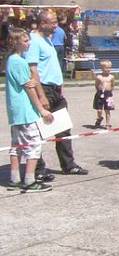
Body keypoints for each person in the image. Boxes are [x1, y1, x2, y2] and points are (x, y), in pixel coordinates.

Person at [28, 10, 87, 180]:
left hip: (55, 90)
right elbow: (33, 70)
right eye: (52, 22)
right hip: (44, 90)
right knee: (38, 131)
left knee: (63, 129)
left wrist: (59, 86)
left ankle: (68, 165)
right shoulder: (34, 41)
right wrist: (42, 95)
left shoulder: (47, 39)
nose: (56, 25)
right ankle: (37, 169)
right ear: (42, 23)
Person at [5, 28, 54, 192]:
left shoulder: (11, 60)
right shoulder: (18, 61)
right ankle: (29, 180)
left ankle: (14, 178)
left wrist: (32, 80)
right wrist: (42, 110)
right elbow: (29, 88)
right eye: (25, 41)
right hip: (26, 111)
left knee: (16, 145)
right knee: (34, 146)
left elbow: (28, 82)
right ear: (15, 42)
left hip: (16, 112)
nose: (29, 43)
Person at [93, 60, 115, 129]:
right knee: (99, 110)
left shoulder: (111, 77)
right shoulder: (99, 77)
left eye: (109, 68)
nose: (108, 69)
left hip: (108, 94)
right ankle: (99, 118)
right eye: (106, 68)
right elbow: (96, 85)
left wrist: (109, 92)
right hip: (100, 94)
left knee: (107, 110)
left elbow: (113, 85)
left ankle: (107, 123)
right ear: (102, 68)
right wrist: (99, 92)